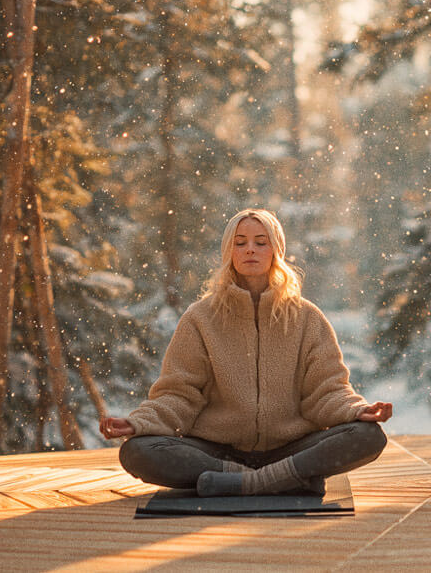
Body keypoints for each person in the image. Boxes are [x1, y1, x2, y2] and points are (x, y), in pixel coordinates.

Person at [100, 208, 392, 496]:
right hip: (219, 453)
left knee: (368, 436)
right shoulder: (200, 318)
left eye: (260, 242)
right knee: (137, 451)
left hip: (290, 449)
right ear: (230, 251)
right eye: (240, 242)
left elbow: (326, 392)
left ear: (276, 250)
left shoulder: (307, 318)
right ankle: (281, 480)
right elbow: (178, 395)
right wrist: (138, 422)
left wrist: (358, 410)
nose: (250, 249)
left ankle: (246, 483)